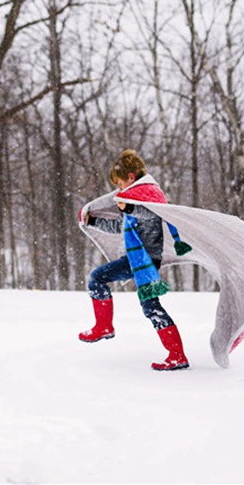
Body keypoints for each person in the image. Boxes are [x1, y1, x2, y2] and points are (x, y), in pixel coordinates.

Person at [78, 149, 190, 371]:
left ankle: (104, 327)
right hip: (136, 259)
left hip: (143, 258)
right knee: (150, 306)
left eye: (119, 184)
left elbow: (153, 214)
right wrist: (93, 221)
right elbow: (119, 226)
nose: (118, 189)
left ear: (130, 177)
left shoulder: (150, 194)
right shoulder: (131, 199)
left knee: (97, 277)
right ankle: (177, 354)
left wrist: (129, 207)